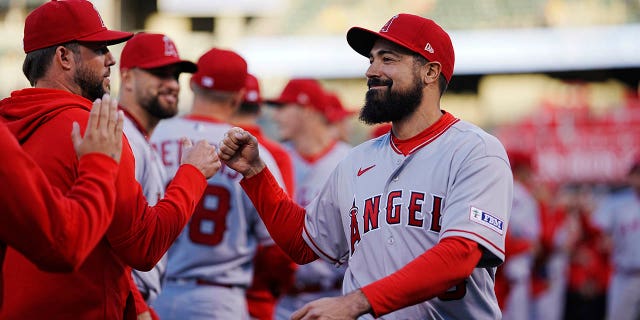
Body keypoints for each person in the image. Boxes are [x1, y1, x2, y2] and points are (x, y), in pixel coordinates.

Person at [218, 13, 513, 319]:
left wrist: (355, 302)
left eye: (387, 59)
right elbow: (303, 242)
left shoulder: (475, 150)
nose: (371, 71)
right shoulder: (356, 160)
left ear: (430, 71)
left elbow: (460, 255)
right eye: (371, 60)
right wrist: (255, 174)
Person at [0, 1, 221, 318]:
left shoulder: (8, 125)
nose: (111, 59)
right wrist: (193, 173)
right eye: (99, 48)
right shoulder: (97, 129)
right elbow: (143, 246)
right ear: (63, 57)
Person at [150, 48, 285, 320]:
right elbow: (278, 245)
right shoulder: (251, 151)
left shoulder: (151, 137)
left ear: (191, 84)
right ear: (237, 97)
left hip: (156, 294)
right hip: (220, 297)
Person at [0, 96, 123, 309]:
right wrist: (100, 164)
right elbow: (66, 241)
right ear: (64, 60)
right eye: (99, 58)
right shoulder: (87, 125)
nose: (111, 60)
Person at [117, 32, 198, 320]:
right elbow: (110, 240)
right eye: (159, 73)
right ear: (126, 78)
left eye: (175, 75)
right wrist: (137, 307)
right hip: (123, 301)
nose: (172, 84)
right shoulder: (122, 135)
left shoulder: (137, 135)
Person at [265, 78, 352, 319]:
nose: (276, 117)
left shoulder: (350, 161)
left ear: (306, 110)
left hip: (336, 297)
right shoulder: (276, 160)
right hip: (284, 301)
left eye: (283, 108)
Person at [230, 73, 298, 319]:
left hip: (176, 283)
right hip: (254, 292)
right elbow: (281, 236)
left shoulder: (199, 142)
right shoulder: (275, 154)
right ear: (258, 108)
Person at [591, 159, 640, 320]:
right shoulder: (617, 203)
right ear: (630, 176)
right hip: (625, 275)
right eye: (637, 173)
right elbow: (597, 233)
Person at [495, 150, 541, 320]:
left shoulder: (508, 188)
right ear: (522, 169)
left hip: (511, 264)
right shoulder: (519, 193)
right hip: (514, 266)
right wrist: (528, 246)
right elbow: (517, 234)